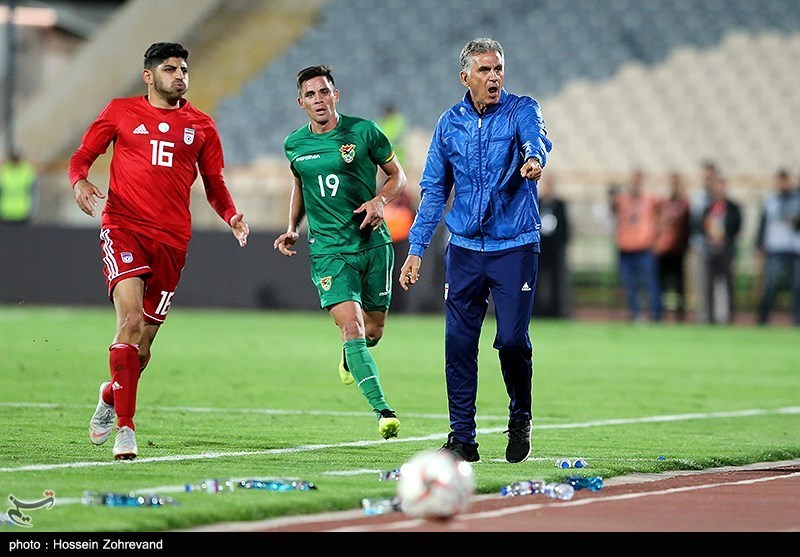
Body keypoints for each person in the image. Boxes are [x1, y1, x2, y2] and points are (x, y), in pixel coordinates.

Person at [68, 42, 250, 460]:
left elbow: (214, 182)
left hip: (172, 241)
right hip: (124, 228)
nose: (180, 76)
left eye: (184, 69)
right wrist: (79, 180)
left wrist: (232, 215)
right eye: (170, 69)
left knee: (143, 347)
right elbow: (83, 155)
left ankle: (111, 394)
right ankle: (126, 430)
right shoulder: (119, 111)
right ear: (148, 76)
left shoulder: (201, 125)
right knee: (129, 323)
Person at [398, 37, 552, 464]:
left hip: (515, 244)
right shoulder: (449, 124)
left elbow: (536, 139)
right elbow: (433, 191)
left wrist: (534, 160)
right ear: (464, 76)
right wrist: (416, 249)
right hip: (464, 248)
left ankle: (520, 415)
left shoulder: (522, 109)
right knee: (458, 343)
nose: (494, 77)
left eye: (498, 68)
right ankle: (462, 438)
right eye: (484, 70)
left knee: (511, 340)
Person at [273, 65, 406, 440]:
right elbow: (300, 184)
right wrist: (291, 228)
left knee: (373, 331)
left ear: (336, 95)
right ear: (301, 102)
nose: (319, 99)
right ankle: (384, 411)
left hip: (372, 244)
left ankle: (351, 356)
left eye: (324, 91)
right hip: (330, 251)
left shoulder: (364, 132)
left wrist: (380, 201)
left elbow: (400, 176)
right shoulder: (295, 144)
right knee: (352, 326)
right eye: (311, 94)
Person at [611, 168, 663, 323]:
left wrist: (656, 237)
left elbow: (661, 216)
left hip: (643, 247)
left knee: (649, 283)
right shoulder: (622, 200)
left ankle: (656, 315)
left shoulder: (650, 199)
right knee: (629, 285)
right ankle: (635, 314)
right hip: (625, 248)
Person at [754, 168, 800, 326]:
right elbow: (763, 224)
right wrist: (759, 245)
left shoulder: (797, 199)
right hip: (775, 249)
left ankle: (797, 321)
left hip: (795, 249)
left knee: (797, 287)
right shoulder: (771, 200)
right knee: (771, 286)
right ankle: (762, 320)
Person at [701, 174, 742, 325]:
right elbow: (702, 226)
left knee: (728, 284)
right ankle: (711, 318)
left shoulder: (733, 208)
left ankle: (730, 317)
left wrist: (725, 238)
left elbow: (737, 226)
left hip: (726, 250)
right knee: (710, 286)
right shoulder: (709, 208)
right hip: (711, 251)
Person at [654, 172, 691, 321]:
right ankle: (660, 314)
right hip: (663, 250)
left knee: (679, 285)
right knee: (662, 284)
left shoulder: (685, 204)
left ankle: (680, 316)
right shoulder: (663, 204)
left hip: (678, 250)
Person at [534, 172, 571, 318]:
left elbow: (565, 226)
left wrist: (562, 243)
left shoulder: (559, 204)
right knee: (536, 279)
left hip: (554, 248)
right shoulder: (538, 202)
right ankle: (535, 310)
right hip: (539, 247)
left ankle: (556, 310)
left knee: (556, 280)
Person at [0, 151, 38, 224]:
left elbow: (33, 193)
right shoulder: (3, 172)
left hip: (23, 213)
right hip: (6, 213)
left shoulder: (27, 172)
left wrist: (32, 211)